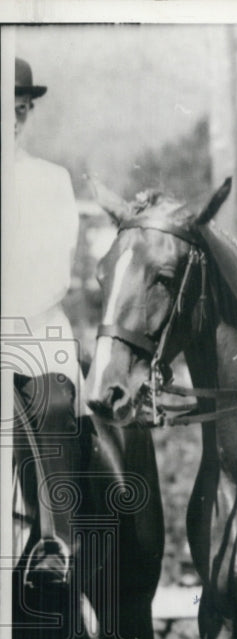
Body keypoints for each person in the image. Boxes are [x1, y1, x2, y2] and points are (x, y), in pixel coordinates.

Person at [3, 58, 81, 589]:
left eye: (21, 109)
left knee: (51, 403)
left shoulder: (51, 181)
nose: (13, 120)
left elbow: (56, 269)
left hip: (35, 332)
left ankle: (56, 542)